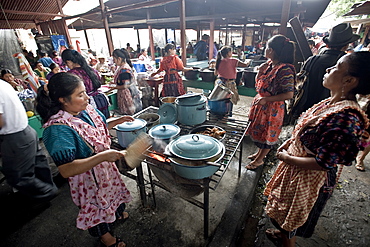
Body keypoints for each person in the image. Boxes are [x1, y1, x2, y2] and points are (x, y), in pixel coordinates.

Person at [263, 51, 370, 247]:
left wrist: (287, 158)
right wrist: (291, 145)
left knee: (292, 218)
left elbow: (324, 163)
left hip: (308, 179)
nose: (328, 69)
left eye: (336, 67)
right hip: (297, 172)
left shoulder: (345, 118)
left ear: (349, 80)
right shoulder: (332, 103)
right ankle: (284, 236)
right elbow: (308, 135)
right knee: (285, 213)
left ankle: (288, 242)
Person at [36, 72, 134, 247]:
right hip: (88, 180)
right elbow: (66, 169)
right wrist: (103, 156)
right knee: (96, 207)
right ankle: (106, 238)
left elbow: (98, 126)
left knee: (112, 193)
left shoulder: (85, 109)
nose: (87, 98)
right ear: (63, 100)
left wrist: (119, 120)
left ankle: (115, 214)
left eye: (84, 92)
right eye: (80, 95)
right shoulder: (57, 128)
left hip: (104, 170)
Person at [289, 23, 360, 122]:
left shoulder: (312, 60)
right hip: (329, 111)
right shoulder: (347, 64)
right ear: (346, 46)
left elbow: (300, 84)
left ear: (327, 44)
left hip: (306, 109)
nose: (329, 70)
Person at [0, 79, 58, 202]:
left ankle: (47, 192)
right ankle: (46, 194)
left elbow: (1, 121)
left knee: (18, 176)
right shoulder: (3, 84)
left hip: (14, 137)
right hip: (26, 132)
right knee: (39, 167)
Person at [246, 35, 296, 170]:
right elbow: (259, 85)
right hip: (262, 105)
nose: (264, 49)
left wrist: (267, 99)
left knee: (268, 133)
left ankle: (260, 160)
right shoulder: (269, 65)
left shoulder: (285, 69)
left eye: (267, 47)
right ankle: (258, 153)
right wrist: (260, 72)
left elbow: (289, 94)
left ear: (272, 50)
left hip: (272, 108)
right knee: (260, 131)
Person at [62, 49, 110, 119]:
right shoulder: (91, 70)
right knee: (104, 124)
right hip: (101, 99)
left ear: (68, 62)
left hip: (88, 103)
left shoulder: (71, 74)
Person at [214, 46, 250, 114]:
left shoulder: (219, 61)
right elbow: (245, 65)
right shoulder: (233, 60)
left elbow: (215, 73)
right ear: (228, 53)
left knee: (220, 99)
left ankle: (221, 115)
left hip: (219, 83)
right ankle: (228, 114)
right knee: (229, 100)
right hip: (229, 83)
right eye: (231, 52)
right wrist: (248, 61)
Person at [111, 48, 143, 115]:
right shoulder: (122, 67)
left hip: (127, 94)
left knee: (130, 114)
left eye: (114, 59)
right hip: (126, 93)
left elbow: (126, 85)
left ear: (119, 59)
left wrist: (114, 87)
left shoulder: (124, 69)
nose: (114, 61)